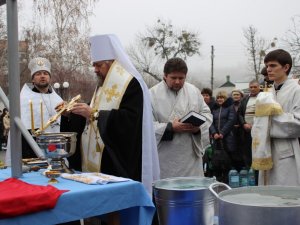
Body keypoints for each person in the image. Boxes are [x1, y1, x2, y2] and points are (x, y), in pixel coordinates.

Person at [61, 34, 160, 194]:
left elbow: (131, 121)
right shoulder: (102, 84)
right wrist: (72, 114)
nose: (95, 70)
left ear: (112, 63)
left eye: (99, 65)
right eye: (94, 65)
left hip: (118, 160)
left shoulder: (131, 84)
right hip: (101, 161)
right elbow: (93, 115)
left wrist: (94, 114)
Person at [149, 57, 212, 179]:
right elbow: (146, 125)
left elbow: (207, 114)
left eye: (181, 78)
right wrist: (170, 127)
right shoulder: (151, 94)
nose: (177, 82)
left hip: (190, 156)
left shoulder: (194, 91)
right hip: (165, 156)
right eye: (173, 78)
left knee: (192, 191)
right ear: (165, 75)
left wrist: (197, 128)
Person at [5, 57, 63, 165]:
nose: (42, 76)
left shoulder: (58, 100)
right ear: (33, 79)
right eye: (38, 74)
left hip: (54, 147)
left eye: (45, 73)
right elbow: (20, 130)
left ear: (49, 77)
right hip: (30, 149)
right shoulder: (23, 99)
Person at [260, 49, 300, 185]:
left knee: (285, 193)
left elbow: (297, 123)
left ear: (286, 67)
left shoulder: (297, 90)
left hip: (287, 151)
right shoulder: (267, 92)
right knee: (268, 194)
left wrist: (270, 118)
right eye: (267, 66)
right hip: (266, 148)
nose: (268, 69)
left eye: (273, 65)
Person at [209, 91, 236, 182]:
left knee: (228, 159)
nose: (220, 99)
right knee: (217, 159)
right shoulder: (214, 109)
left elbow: (231, 120)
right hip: (216, 138)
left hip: (227, 138)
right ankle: (218, 179)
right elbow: (210, 122)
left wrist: (222, 133)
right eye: (218, 98)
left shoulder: (230, 107)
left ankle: (227, 179)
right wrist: (214, 133)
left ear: (225, 99)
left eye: (222, 97)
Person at [238, 80, 261, 169]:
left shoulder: (263, 98)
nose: (253, 89)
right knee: (247, 151)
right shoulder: (245, 99)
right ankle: (249, 169)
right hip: (246, 130)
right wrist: (244, 124)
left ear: (259, 87)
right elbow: (239, 113)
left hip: (259, 130)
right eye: (251, 87)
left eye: (255, 87)